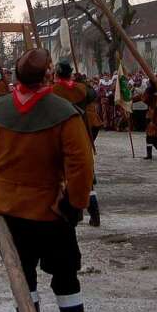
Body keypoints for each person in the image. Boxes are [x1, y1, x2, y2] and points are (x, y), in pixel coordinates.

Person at [0, 49, 94, 312]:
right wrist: (75, 203)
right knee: (65, 278)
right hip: (51, 211)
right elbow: (80, 164)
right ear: (47, 74)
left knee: (23, 279)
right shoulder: (63, 113)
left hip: (9, 209)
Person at [51, 61, 101, 226]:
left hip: (61, 135)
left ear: (57, 74)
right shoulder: (80, 89)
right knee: (85, 175)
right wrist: (82, 82)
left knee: (66, 175)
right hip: (82, 133)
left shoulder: (53, 91)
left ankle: (75, 213)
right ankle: (94, 213)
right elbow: (93, 94)